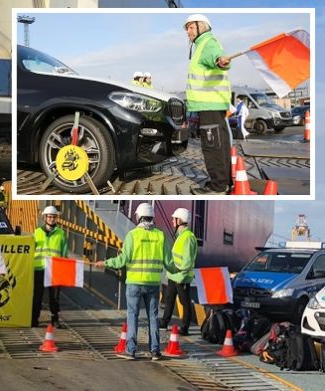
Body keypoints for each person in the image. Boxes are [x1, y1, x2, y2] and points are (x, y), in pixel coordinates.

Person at [94, 203, 177, 360]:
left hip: (134, 284)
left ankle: (131, 351)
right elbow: (169, 263)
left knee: (133, 316)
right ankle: (155, 351)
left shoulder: (132, 235)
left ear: (138, 217)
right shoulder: (160, 235)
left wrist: (105, 263)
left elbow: (122, 260)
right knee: (153, 317)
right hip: (153, 284)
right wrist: (178, 272)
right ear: (152, 217)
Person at [184, 14, 232, 195]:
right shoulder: (202, 44)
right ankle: (224, 182)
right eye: (187, 28)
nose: (187, 32)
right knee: (220, 145)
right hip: (213, 104)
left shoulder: (207, 43)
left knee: (212, 147)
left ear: (202, 26)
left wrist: (220, 61)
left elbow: (217, 57)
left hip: (210, 104)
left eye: (190, 27)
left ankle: (217, 186)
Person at [160, 208, 197, 336]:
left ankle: (185, 328)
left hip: (181, 277)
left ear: (179, 220)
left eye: (173, 218)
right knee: (169, 299)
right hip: (173, 276)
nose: (172, 220)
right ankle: (164, 323)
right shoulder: (181, 236)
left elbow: (187, 260)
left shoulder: (188, 237)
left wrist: (181, 275)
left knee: (185, 302)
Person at [32, 206, 67, 328]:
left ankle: (55, 320)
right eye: (49, 217)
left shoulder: (61, 234)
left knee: (55, 297)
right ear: (45, 218)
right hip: (39, 269)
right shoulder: (37, 233)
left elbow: (64, 253)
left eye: (54, 217)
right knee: (37, 296)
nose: (52, 219)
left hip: (54, 269)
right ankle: (34, 319)